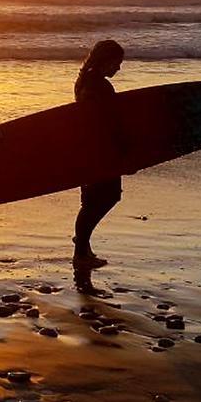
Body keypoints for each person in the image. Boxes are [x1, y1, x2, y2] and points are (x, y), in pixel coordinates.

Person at [72, 39, 127, 269]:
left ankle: (83, 248)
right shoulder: (98, 86)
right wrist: (123, 151)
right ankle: (81, 249)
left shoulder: (85, 81)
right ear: (105, 61)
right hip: (100, 152)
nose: (118, 68)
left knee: (93, 201)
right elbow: (105, 122)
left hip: (88, 149)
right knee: (104, 197)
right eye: (116, 62)